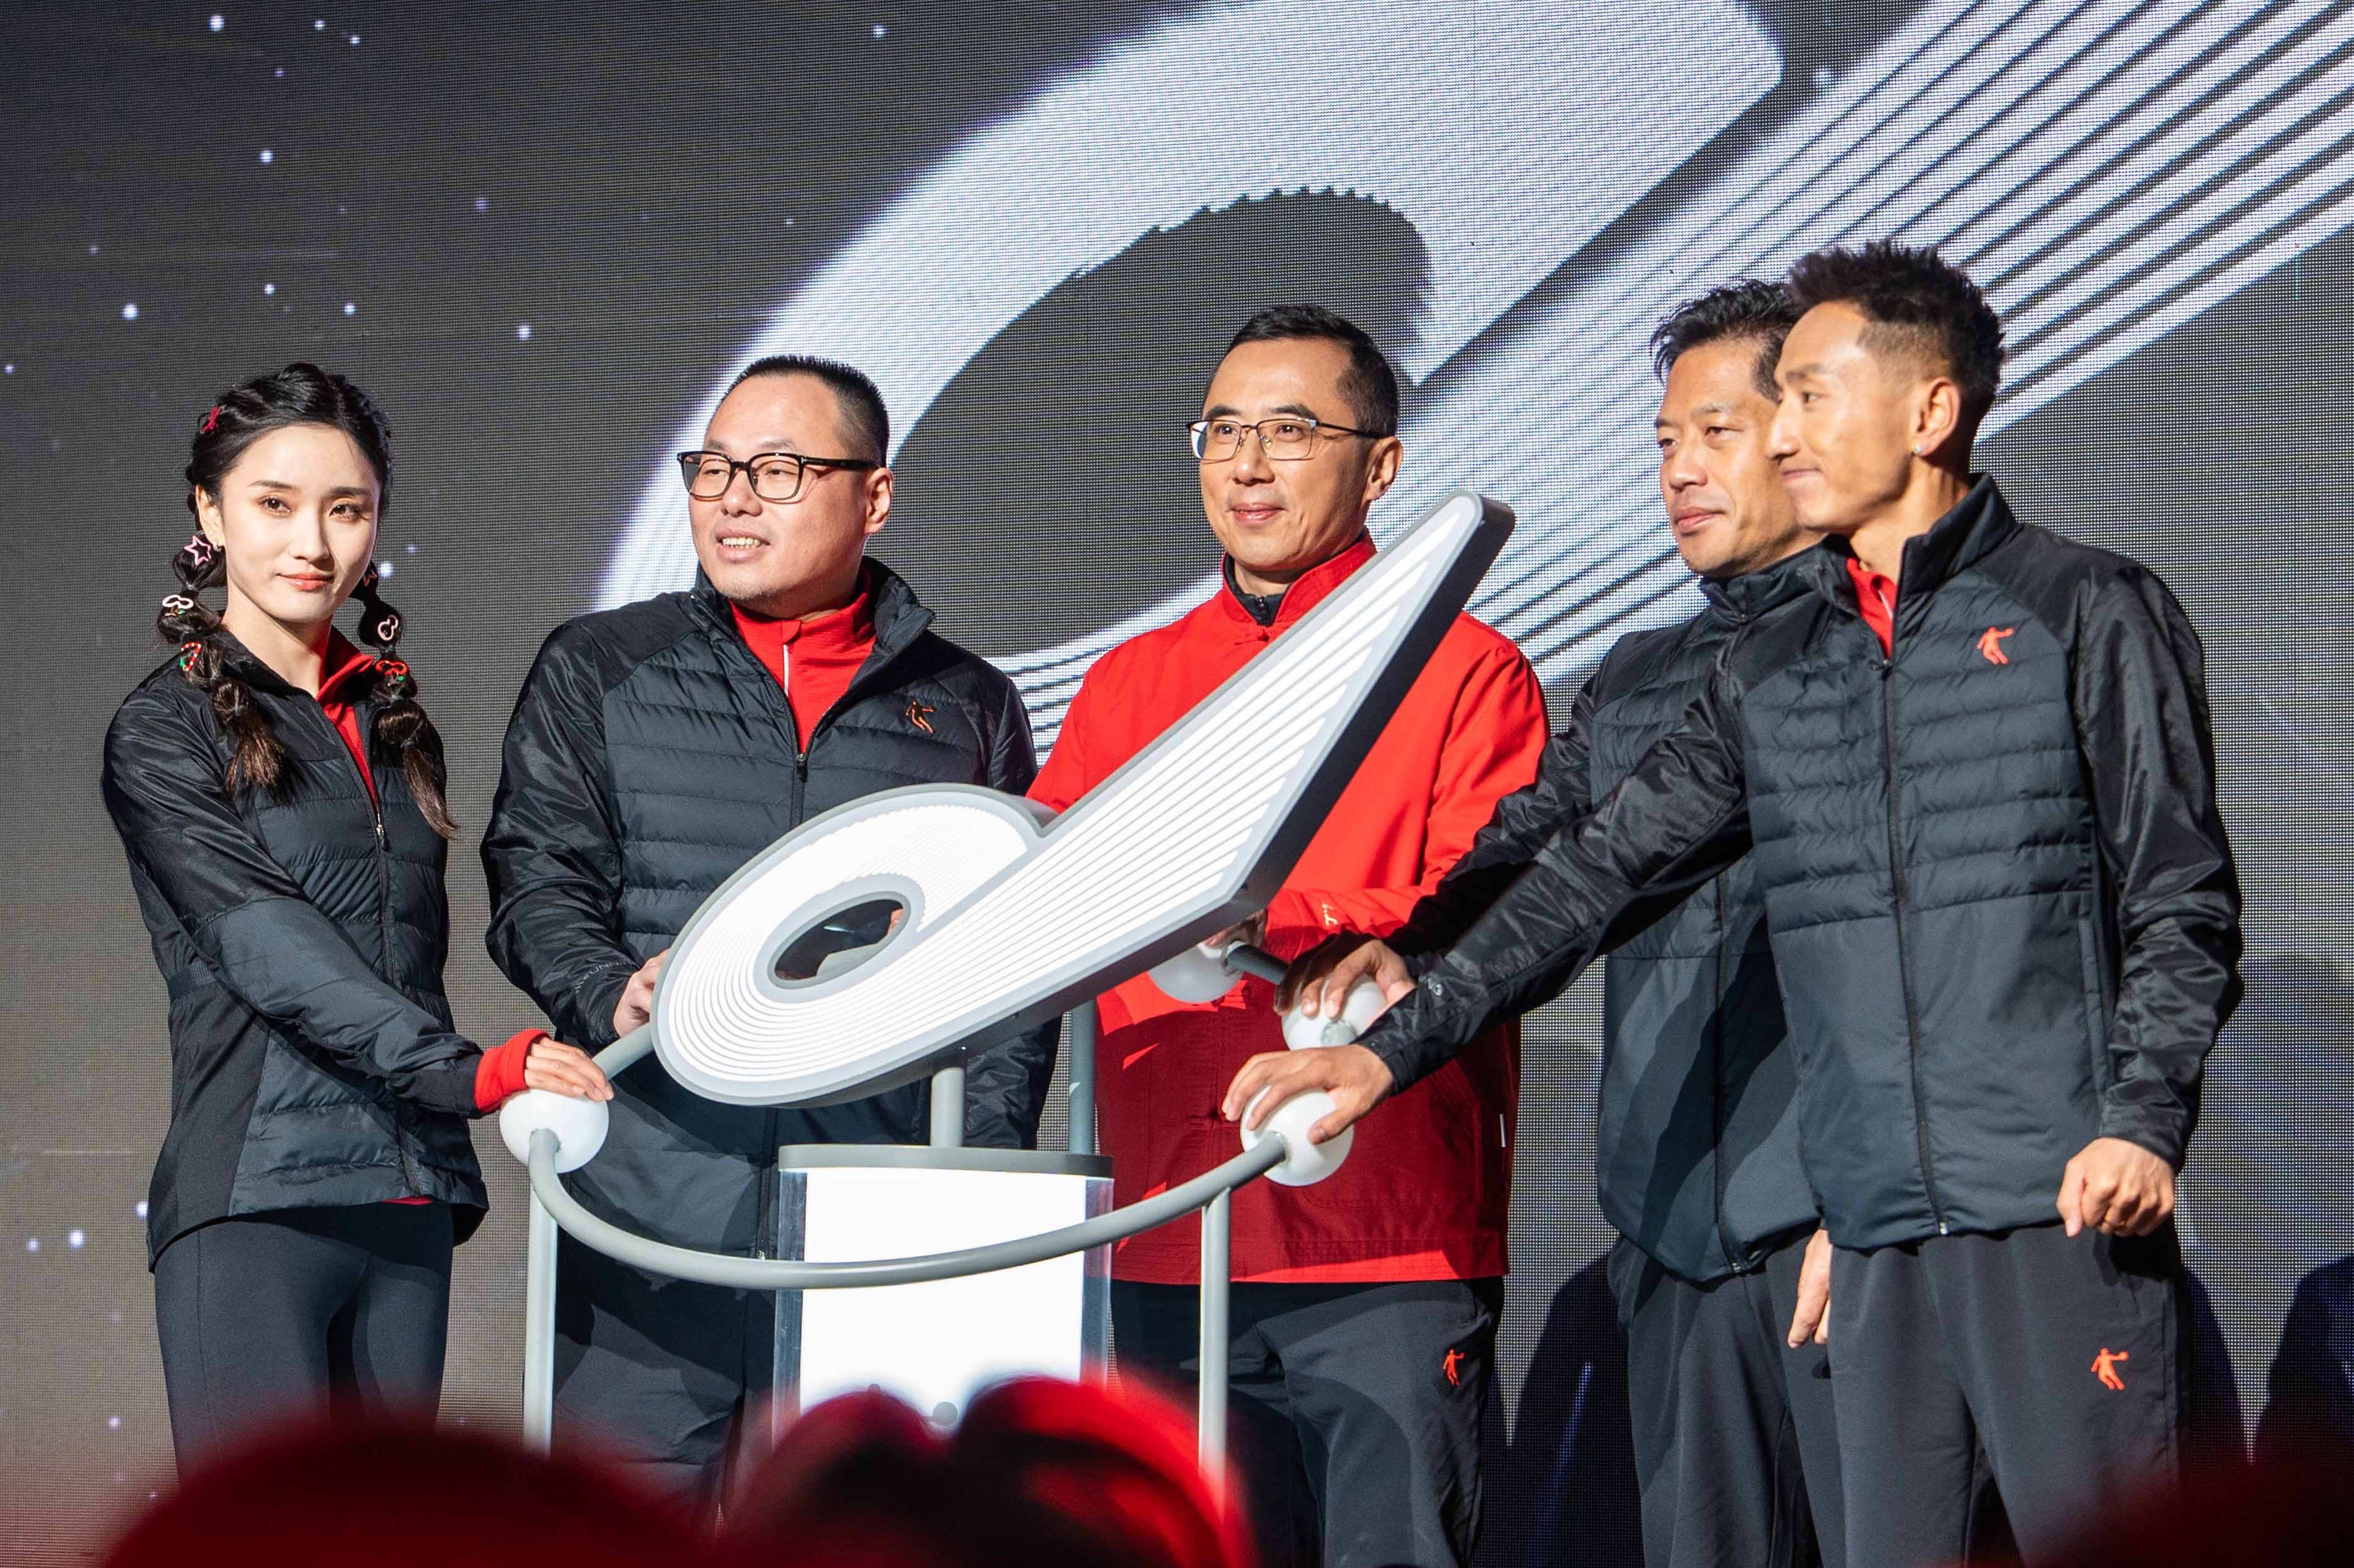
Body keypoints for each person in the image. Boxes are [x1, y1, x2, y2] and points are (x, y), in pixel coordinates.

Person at [1237, 243, 2242, 1566]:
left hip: (2040, 1208)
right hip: (1852, 1234)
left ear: (1927, 410)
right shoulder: (1769, 667)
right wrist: (1386, 1045)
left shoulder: (2081, 606)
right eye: (1713, 426)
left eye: (1795, 403)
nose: (1765, 442)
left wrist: (2140, 1118)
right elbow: (1587, 872)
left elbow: (2179, 894)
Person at [1283, 281, 1842, 1567]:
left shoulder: (1878, 649)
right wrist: (1412, 948)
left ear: (1810, 429)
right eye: (1665, 441)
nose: (1681, 471)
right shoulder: (1640, 671)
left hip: (1835, 1213)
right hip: (1668, 1216)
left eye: (1716, 433)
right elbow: (1534, 845)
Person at [481, 354, 1056, 1511]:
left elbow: (1016, 965)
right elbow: (535, 877)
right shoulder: (601, 666)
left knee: (860, 1532)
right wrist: (608, 989)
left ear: (873, 496)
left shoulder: (968, 704)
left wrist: (973, 1177)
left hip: (878, 1219)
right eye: (714, 469)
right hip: (650, 1204)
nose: (734, 499)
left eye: (779, 470)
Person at [1028, 306, 1549, 1568]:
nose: (1248, 463)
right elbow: (1044, 906)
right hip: (1166, 1223)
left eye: (1291, 430)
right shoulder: (1128, 682)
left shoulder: (1466, 669)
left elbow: (1493, 911)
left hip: (1381, 1227)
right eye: (1222, 431)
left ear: (1382, 465)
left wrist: (1279, 917)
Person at [101, 364, 612, 1468]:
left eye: (347, 509)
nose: (314, 543)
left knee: (389, 1537)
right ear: (209, 512)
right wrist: (468, 1071)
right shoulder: (164, 727)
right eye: (275, 503)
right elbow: (266, 946)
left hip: (407, 1199)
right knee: (263, 1540)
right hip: (258, 1200)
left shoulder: (393, 717)